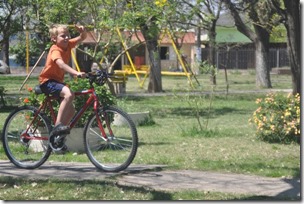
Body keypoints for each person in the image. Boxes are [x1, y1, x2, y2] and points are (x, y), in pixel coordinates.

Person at [39, 24, 87, 137]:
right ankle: (57, 126)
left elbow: (82, 37)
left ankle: (57, 138)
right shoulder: (55, 49)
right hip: (47, 81)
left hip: (57, 82)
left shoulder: (69, 45)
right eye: (62, 36)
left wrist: (82, 31)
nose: (66, 38)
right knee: (69, 94)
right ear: (54, 38)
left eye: (68, 35)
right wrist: (76, 73)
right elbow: (60, 64)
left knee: (71, 111)